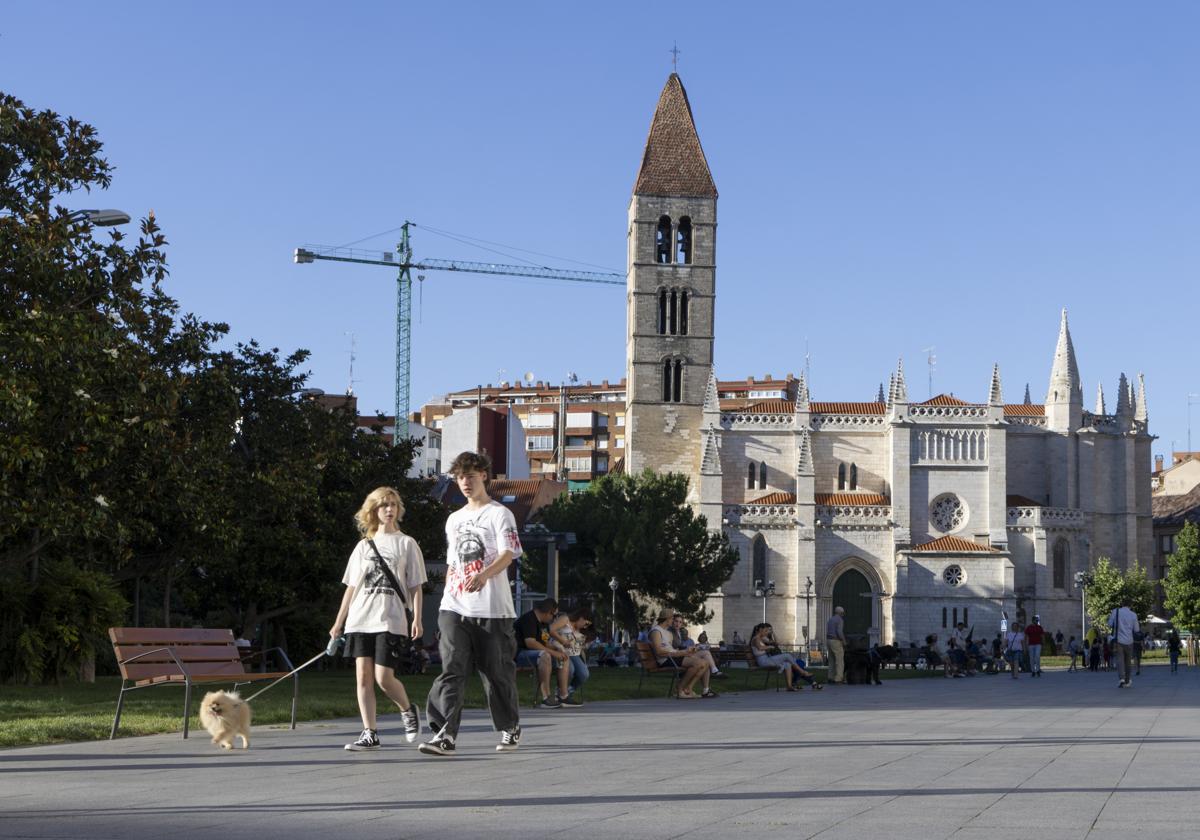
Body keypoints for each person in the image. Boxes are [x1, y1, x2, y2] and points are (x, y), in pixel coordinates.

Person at [421, 451, 524, 757]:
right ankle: (444, 733)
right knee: (452, 669)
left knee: (496, 673)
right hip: (454, 606)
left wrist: (484, 575)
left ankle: (509, 725)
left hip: (492, 608)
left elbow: (509, 553)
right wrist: (447, 594)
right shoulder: (454, 519)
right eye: (459, 477)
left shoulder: (499, 514)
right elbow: (453, 562)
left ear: (484, 476)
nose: (464, 482)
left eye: (470, 475)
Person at [329, 486, 426, 751]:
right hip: (361, 619)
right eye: (384, 505)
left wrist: (417, 618)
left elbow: (416, 585)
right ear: (373, 510)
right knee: (363, 678)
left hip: (390, 619)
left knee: (384, 678)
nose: (389, 510)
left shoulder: (407, 543)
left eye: (393, 505)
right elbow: (351, 587)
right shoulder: (363, 546)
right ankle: (369, 733)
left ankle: (407, 709)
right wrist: (339, 623)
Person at [515, 598, 572, 708]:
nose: (553, 619)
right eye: (553, 616)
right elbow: (530, 643)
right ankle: (546, 698)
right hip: (520, 653)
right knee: (545, 656)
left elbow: (543, 643)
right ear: (548, 612)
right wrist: (553, 653)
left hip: (534, 652)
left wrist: (558, 649)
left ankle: (563, 696)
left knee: (563, 656)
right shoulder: (528, 619)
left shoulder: (544, 624)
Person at [649, 607, 715, 698]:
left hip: (672, 657)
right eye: (672, 618)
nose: (673, 621)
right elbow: (659, 651)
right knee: (699, 663)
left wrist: (685, 652)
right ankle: (680, 689)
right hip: (666, 659)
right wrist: (681, 653)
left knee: (705, 663)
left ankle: (687, 688)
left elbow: (671, 649)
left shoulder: (666, 632)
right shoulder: (656, 631)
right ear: (667, 619)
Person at [750, 622, 822, 691]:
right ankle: (803, 673)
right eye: (766, 631)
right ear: (760, 630)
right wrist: (769, 647)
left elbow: (776, 643)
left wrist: (773, 634)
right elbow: (760, 648)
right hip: (764, 661)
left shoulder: (762, 638)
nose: (767, 632)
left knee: (788, 664)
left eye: (768, 631)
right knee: (788, 656)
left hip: (768, 659)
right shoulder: (756, 639)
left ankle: (789, 686)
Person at [549, 605, 593, 704]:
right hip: (560, 650)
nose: (585, 627)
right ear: (581, 617)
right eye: (586, 623)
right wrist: (562, 641)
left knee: (584, 674)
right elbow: (551, 630)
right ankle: (561, 692)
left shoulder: (581, 630)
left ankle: (567, 692)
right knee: (570, 669)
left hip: (574, 654)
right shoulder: (565, 619)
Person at [1108, 600, 1140, 688]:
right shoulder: (1133, 615)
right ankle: (1127, 680)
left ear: (1122, 604)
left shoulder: (1116, 611)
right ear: (1131, 606)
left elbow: (1110, 624)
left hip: (1118, 640)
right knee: (1128, 661)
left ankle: (1121, 678)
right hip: (1129, 641)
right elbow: (1136, 630)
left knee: (1120, 660)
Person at [826, 606, 846, 684]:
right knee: (839, 660)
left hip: (828, 640)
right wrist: (844, 641)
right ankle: (838, 678)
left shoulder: (830, 619)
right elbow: (839, 632)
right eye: (843, 613)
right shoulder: (840, 620)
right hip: (836, 641)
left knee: (831, 660)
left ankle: (830, 677)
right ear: (841, 613)